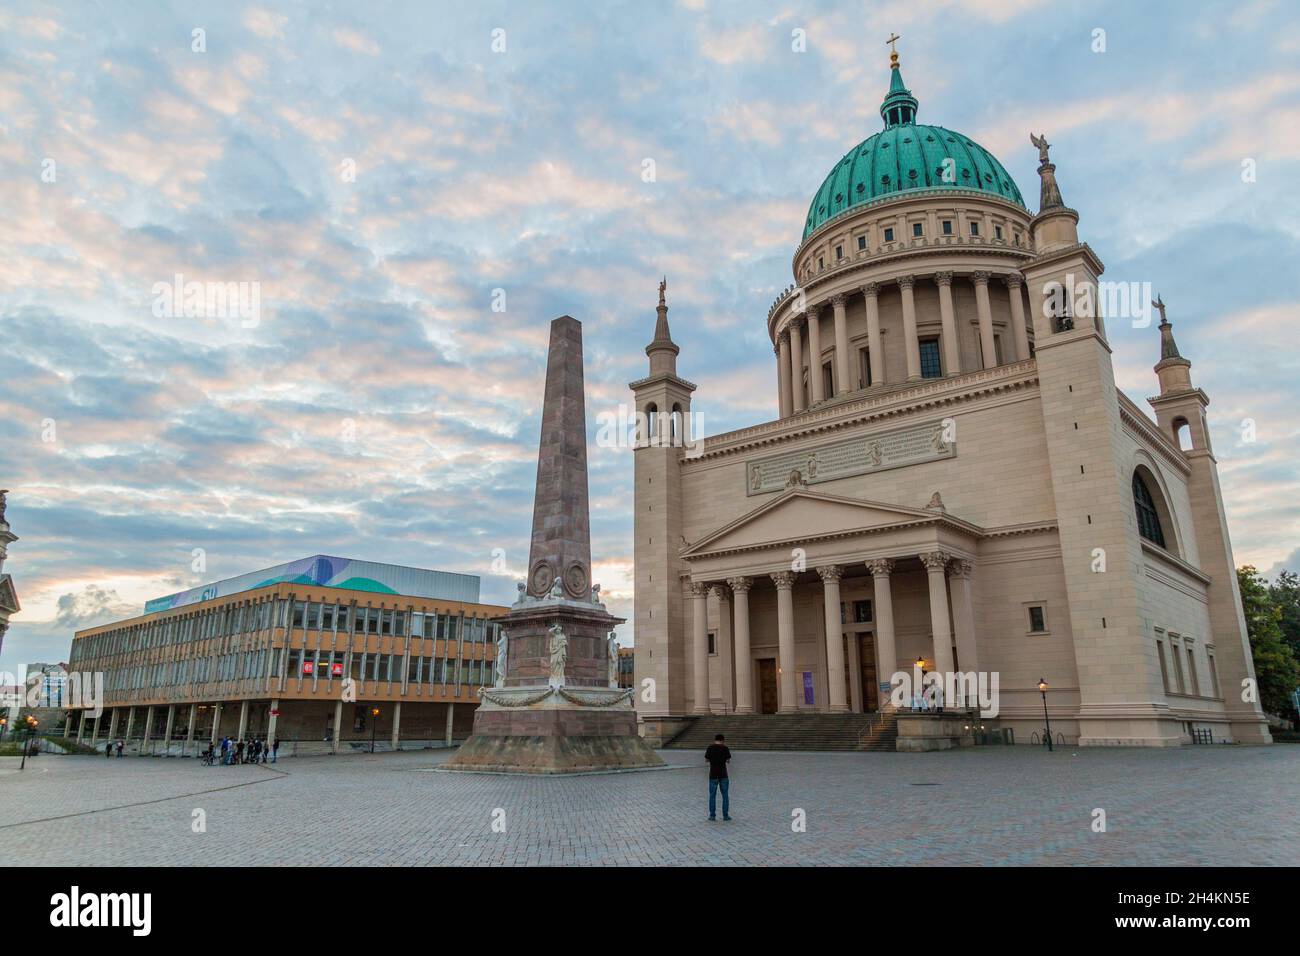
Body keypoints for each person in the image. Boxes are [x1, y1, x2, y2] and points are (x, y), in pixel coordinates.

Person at [704, 733, 732, 822]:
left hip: (713, 774)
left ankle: (712, 815)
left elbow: (706, 760)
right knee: (725, 795)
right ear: (723, 740)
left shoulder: (710, 748)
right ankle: (725, 815)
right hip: (723, 774)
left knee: (712, 795)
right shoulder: (725, 748)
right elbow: (728, 761)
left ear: (715, 740)